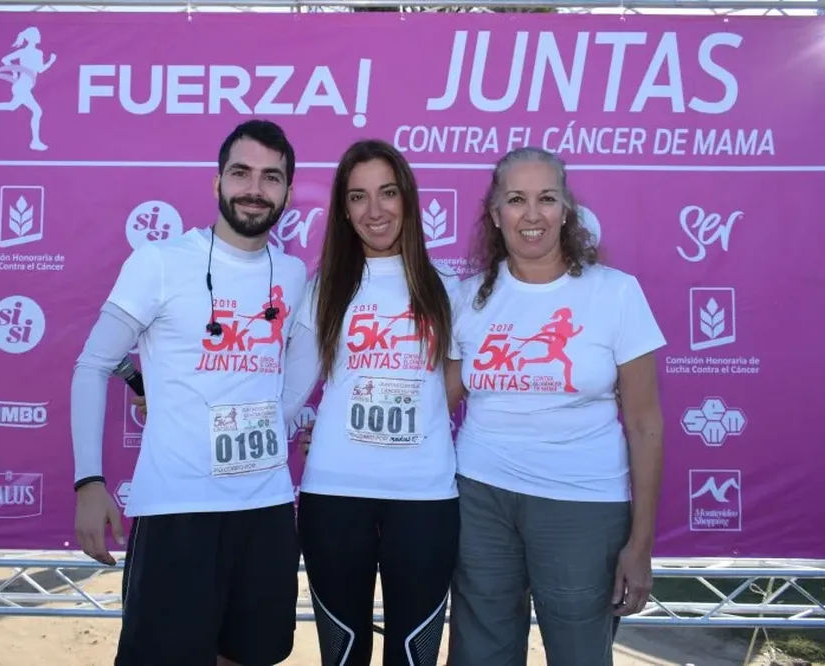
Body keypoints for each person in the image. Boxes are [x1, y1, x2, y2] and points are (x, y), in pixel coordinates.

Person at [70, 119, 308, 666]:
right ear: (217, 182)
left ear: (288, 193)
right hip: (177, 510)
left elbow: (302, 360)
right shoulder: (159, 262)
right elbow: (93, 365)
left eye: (271, 177)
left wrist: (281, 417)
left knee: (251, 655)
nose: (255, 188)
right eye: (241, 172)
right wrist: (89, 480)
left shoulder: (293, 274)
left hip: (267, 509)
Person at [444, 146, 666, 666]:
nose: (532, 214)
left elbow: (645, 424)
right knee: (480, 654)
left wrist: (641, 544)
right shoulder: (467, 297)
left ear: (566, 209)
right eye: (516, 200)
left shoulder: (615, 294)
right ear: (495, 214)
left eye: (546, 198)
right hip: (480, 502)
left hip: (583, 507)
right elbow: (435, 407)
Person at [279, 139, 463, 666]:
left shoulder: (449, 287)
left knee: (414, 655)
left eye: (387, 192)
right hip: (335, 495)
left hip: (425, 499)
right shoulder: (323, 290)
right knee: (344, 654)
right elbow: (291, 393)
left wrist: (413, 420)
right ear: (343, 209)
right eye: (358, 197)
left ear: (408, 197)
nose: (375, 210)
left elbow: (457, 380)